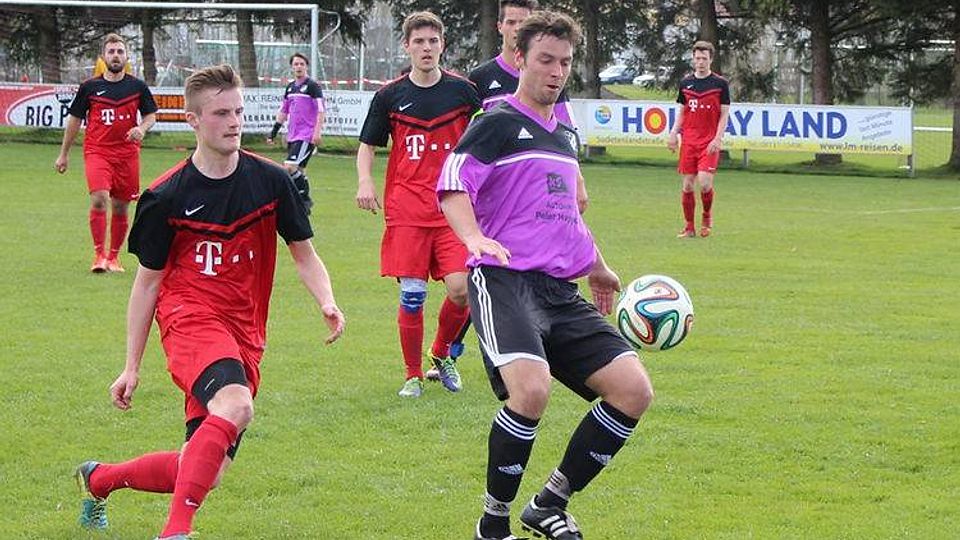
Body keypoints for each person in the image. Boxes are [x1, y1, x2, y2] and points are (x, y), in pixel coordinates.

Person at [73, 64, 345, 540]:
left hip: (246, 333)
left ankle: (99, 479)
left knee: (206, 471)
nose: (235, 121)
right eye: (221, 113)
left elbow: (304, 254)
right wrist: (132, 366)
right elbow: (147, 284)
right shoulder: (164, 196)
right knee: (236, 405)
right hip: (189, 320)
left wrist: (327, 299)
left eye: (238, 111)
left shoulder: (272, 181)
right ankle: (175, 532)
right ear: (194, 121)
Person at [438, 11, 654, 540]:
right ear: (518, 59)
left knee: (633, 390)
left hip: (559, 289)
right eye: (545, 60)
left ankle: (549, 503)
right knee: (530, 392)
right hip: (504, 279)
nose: (556, 72)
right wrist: (473, 239)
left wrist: (598, 268)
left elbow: (566, 215)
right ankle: (492, 524)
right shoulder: (495, 122)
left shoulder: (564, 134)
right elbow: (451, 183)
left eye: (565, 62)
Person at [356, 11, 481, 398]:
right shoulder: (390, 96)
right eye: (418, 42)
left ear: (442, 45)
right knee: (412, 295)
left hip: (453, 207)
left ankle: (441, 354)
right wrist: (365, 181)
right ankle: (412, 374)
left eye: (433, 41)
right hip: (407, 208)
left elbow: (484, 140)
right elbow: (368, 146)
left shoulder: (464, 92)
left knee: (463, 290)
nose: (426, 48)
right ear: (407, 46)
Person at [467, 0, 588, 215]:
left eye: (522, 23)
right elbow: (468, 133)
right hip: (494, 180)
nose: (516, 29)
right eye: (511, 22)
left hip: (538, 181)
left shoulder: (552, 82)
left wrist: (576, 176)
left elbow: (566, 133)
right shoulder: (481, 77)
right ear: (500, 26)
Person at [56, 33, 158, 273]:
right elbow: (74, 120)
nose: (115, 56)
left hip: (127, 154)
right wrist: (64, 154)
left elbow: (151, 115)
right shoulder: (90, 87)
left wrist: (141, 128)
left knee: (121, 207)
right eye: (111, 51)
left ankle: (114, 257)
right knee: (100, 198)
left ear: (126, 56)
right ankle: (99, 255)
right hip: (97, 151)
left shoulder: (137, 86)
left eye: (120, 51)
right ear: (103, 57)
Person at [666, 40, 730, 238]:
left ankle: (707, 216)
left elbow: (724, 114)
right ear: (693, 59)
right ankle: (689, 227)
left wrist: (718, 139)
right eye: (697, 58)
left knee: (704, 182)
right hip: (690, 140)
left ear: (711, 59)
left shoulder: (720, 84)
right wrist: (673, 133)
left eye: (704, 58)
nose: (700, 62)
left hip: (709, 141)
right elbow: (683, 112)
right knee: (687, 184)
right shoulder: (686, 83)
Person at [267, 52, 326, 213]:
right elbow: (284, 111)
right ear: (292, 67)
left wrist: (317, 132)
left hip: (306, 135)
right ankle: (300, 205)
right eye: (295, 64)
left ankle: (304, 199)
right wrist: (274, 132)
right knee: (299, 170)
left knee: (289, 167)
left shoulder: (313, 86)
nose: (298, 67)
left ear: (306, 66)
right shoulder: (290, 87)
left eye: (301, 64)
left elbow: (321, 111)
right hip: (293, 134)